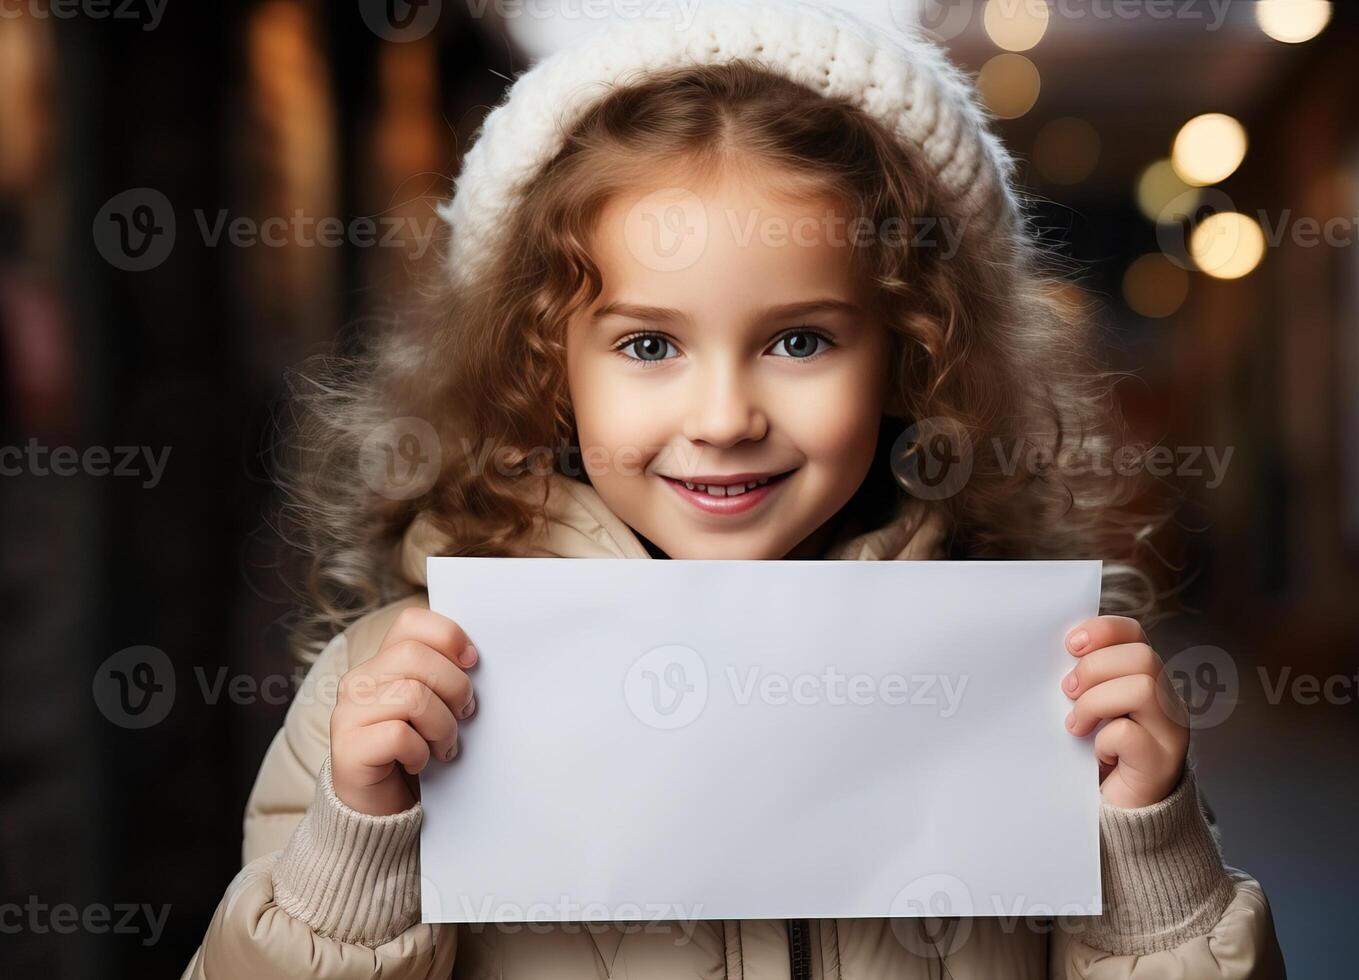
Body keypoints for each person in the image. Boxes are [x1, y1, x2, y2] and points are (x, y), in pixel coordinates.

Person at [184, 1, 1285, 976]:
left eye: (800, 339)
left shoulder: (1040, 686)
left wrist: (1151, 849)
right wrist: (357, 844)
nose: (723, 418)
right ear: (543, 361)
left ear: (912, 354)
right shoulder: (384, 690)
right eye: (649, 345)